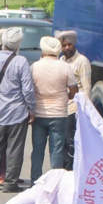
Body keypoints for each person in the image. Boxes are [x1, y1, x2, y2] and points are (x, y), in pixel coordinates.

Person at [0, 26, 34, 192]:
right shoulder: (21, 61)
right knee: (15, 148)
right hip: (17, 111)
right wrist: (32, 109)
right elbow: (28, 89)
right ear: (18, 44)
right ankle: (10, 182)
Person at [29, 35, 76, 185]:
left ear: (43, 50)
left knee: (37, 150)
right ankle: (55, 183)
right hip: (59, 114)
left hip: (39, 113)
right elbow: (74, 90)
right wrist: (65, 96)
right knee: (56, 150)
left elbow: (29, 90)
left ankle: (35, 181)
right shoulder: (65, 67)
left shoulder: (35, 66)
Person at [57, 29, 92, 167]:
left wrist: (84, 111)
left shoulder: (82, 61)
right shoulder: (61, 61)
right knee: (62, 141)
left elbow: (86, 87)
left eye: (69, 45)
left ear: (74, 45)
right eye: (64, 45)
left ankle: (72, 168)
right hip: (61, 108)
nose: (66, 48)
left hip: (74, 108)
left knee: (71, 141)